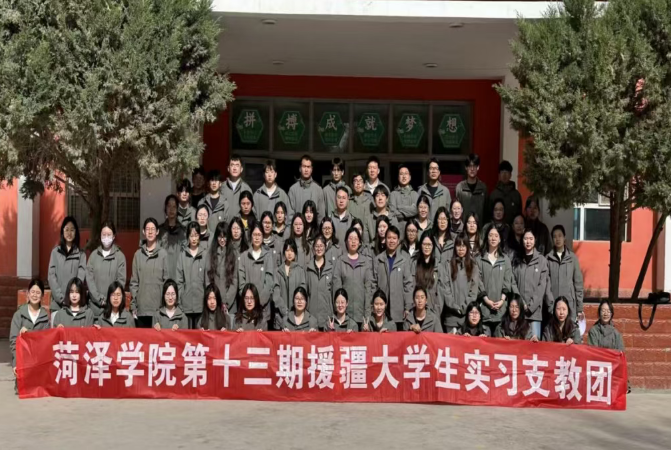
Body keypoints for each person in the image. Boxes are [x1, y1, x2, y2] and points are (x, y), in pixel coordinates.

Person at [10, 279, 49, 391]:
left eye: (38, 292)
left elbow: (45, 342)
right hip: (24, 363)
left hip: (38, 364)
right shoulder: (19, 315)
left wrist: (30, 334)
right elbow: (13, 342)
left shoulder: (45, 317)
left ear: (42, 296)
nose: (35, 295)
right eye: (32, 292)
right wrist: (15, 364)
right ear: (28, 293)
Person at [130, 218, 169, 328]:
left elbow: (166, 281)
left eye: (153, 229)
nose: (150, 232)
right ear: (143, 232)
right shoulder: (138, 255)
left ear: (157, 232)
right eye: (147, 229)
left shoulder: (163, 254)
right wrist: (134, 305)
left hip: (158, 309)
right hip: (142, 309)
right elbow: (134, 283)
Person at [373, 226, 415, 328]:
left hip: (399, 311)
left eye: (394, 238)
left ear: (398, 241)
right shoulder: (378, 260)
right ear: (385, 239)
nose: (391, 241)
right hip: (381, 311)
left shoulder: (404, 261)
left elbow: (408, 286)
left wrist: (408, 307)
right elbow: (373, 284)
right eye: (389, 238)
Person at [513, 229, 551, 338]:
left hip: (535, 313)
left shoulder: (542, 260)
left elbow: (542, 286)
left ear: (535, 240)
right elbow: (513, 283)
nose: (528, 241)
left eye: (531, 239)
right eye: (525, 239)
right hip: (519, 311)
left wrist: (531, 306)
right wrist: (521, 304)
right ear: (522, 240)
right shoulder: (517, 259)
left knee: (534, 344)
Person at [333, 228, 374, 328]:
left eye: (356, 239)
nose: (353, 241)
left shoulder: (366, 262)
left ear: (360, 242)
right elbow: (337, 288)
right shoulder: (340, 261)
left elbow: (368, 289)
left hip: (361, 316)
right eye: (350, 238)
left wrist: (367, 315)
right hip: (345, 316)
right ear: (346, 241)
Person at [476, 225, 514, 335]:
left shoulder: (505, 259)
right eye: (490, 235)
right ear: (486, 238)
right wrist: (486, 300)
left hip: (501, 311)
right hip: (484, 310)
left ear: (500, 239)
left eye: (496, 236)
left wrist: (502, 300)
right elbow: (478, 281)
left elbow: (507, 281)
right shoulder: (479, 259)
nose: (493, 238)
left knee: (499, 342)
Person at [86, 220, 127, 318]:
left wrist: (110, 299)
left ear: (114, 236)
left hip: (113, 310)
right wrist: (99, 299)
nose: (106, 237)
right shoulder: (93, 256)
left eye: (109, 235)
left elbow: (121, 281)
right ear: (100, 236)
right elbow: (89, 280)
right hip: (95, 310)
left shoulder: (120, 257)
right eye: (104, 234)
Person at [48, 216, 86, 316]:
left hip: (74, 305)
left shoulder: (81, 255)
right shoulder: (55, 252)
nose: (69, 233)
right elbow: (51, 276)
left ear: (76, 233)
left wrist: (72, 297)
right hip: (57, 305)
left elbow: (80, 278)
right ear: (62, 231)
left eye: (72, 230)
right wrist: (61, 298)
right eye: (67, 229)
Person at [238, 222, 275, 324]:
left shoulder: (268, 256)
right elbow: (241, 284)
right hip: (247, 309)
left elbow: (269, 283)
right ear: (251, 236)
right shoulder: (244, 256)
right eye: (254, 234)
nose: (257, 237)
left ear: (263, 237)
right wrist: (249, 301)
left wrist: (258, 302)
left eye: (259, 235)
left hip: (263, 309)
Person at [546, 224, 584, 322]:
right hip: (553, 307)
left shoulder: (572, 258)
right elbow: (546, 284)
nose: (557, 239)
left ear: (564, 238)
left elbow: (578, 284)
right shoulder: (548, 259)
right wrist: (550, 304)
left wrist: (579, 308)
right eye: (554, 236)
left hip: (570, 306)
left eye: (560, 236)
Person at [444, 234, 479, 333]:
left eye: (464, 246)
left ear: (467, 248)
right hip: (451, 317)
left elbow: (473, 291)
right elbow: (446, 288)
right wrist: (454, 306)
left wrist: (464, 308)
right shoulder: (448, 265)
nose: (461, 249)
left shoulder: (473, 266)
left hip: (466, 318)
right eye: (458, 245)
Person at [176, 221, 207, 329]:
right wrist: (181, 299)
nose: (194, 239)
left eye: (196, 235)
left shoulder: (205, 255)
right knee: (187, 336)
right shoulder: (182, 255)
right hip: (186, 305)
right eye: (191, 236)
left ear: (199, 237)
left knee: (199, 336)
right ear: (187, 237)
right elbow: (179, 281)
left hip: (201, 304)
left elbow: (208, 280)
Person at [273, 238, 307, 329]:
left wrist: (294, 311)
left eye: (292, 251)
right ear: (284, 252)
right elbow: (276, 294)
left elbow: (303, 292)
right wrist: (285, 311)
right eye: (287, 250)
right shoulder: (277, 271)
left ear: (295, 253)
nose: (289, 253)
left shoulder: (300, 271)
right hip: (280, 316)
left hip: (297, 316)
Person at [414, 231, 449, 318]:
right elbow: (410, 287)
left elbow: (442, 291)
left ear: (433, 246)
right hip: (416, 310)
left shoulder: (439, 266)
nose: (427, 247)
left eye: (429, 244)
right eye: (424, 244)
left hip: (434, 311)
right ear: (420, 245)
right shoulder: (414, 264)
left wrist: (437, 311)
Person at [206, 221, 238, 314]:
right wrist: (213, 299)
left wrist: (226, 302)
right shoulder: (210, 254)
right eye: (220, 237)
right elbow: (207, 279)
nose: (222, 240)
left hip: (230, 306)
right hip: (214, 304)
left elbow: (234, 280)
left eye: (225, 237)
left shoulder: (234, 254)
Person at [307, 235, 334, 330]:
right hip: (311, 315)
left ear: (325, 247)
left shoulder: (331, 268)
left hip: (327, 316)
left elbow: (333, 292)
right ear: (313, 248)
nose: (319, 249)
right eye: (317, 246)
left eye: (321, 246)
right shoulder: (308, 268)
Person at [289, 154, 325, 219]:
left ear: (311, 169)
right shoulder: (293, 190)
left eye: (308, 167)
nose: (306, 170)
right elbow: (290, 215)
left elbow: (321, 215)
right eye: (304, 166)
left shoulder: (318, 190)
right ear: (300, 168)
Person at [159, 195, 187, 279]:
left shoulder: (183, 231)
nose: (171, 209)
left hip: (178, 273)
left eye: (174, 206)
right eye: (169, 206)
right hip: (162, 273)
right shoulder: (160, 231)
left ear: (177, 209)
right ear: (165, 208)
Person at [456, 153, 488, 223]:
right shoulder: (460, 187)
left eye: (474, 166)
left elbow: (486, 211)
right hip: (463, 227)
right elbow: (456, 210)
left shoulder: (483, 188)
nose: (472, 169)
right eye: (470, 166)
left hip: (480, 227)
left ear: (478, 167)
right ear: (466, 167)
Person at [390, 164, 418, 240]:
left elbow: (415, 210)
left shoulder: (415, 194)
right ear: (398, 177)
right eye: (401, 174)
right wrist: (409, 212)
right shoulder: (393, 194)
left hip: (412, 232)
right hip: (397, 231)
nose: (404, 176)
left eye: (406, 173)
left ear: (410, 177)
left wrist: (399, 207)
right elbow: (393, 213)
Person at [490, 160, 522, 225]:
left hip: (512, 229)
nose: (504, 175)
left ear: (510, 175)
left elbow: (519, 214)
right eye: (502, 172)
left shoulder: (516, 194)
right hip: (496, 229)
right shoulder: (493, 194)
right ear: (499, 175)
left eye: (507, 172)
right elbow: (489, 215)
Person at [222, 154, 253, 223]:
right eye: (232, 165)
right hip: (224, 227)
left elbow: (251, 213)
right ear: (228, 168)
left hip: (240, 227)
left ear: (241, 169)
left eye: (237, 165)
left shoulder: (246, 188)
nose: (234, 168)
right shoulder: (221, 188)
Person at [198, 169, 228, 233]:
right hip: (205, 237)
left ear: (220, 183)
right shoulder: (202, 202)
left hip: (219, 237)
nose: (214, 183)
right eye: (212, 180)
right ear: (208, 183)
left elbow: (226, 224)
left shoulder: (225, 203)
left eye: (216, 180)